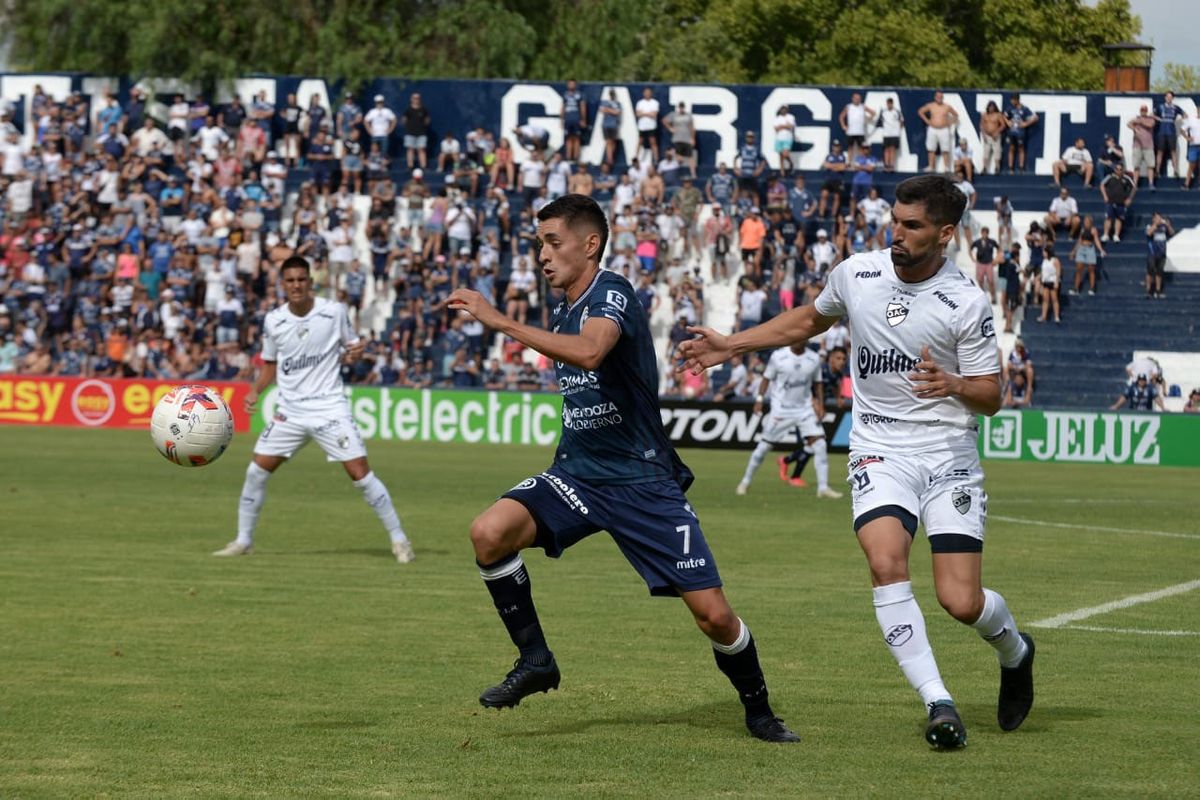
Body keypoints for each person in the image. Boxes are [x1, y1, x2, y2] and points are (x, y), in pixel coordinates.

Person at [677, 175, 1035, 750]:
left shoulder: (965, 301)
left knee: (960, 601)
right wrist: (732, 344)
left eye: (912, 226)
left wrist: (952, 383)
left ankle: (1017, 653)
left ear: (945, 234)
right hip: (878, 448)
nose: (897, 233)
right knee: (886, 561)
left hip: (947, 454)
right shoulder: (856, 273)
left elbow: (992, 396)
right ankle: (938, 702)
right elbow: (808, 320)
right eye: (895, 221)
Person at [444, 194, 800, 744]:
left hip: (641, 482)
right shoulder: (565, 304)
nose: (542, 254)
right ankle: (536, 660)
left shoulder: (611, 291)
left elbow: (590, 353)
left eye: (552, 242)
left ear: (590, 244)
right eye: (539, 243)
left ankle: (758, 709)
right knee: (489, 533)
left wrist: (496, 319)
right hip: (578, 475)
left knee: (713, 617)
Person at [213, 256, 415, 563]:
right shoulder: (274, 320)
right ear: (283, 285)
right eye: (290, 280)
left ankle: (400, 540)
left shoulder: (333, 312)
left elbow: (354, 348)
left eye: (301, 280)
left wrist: (356, 353)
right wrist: (255, 390)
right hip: (290, 412)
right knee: (256, 472)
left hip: (329, 408)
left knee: (361, 475)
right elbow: (270, 365)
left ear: (310, 282)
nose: (296, 285)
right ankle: (243, 540)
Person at [736, 343, 840, 499]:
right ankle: (745, 481)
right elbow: (766, 378)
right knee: (763, 447)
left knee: (820, 444)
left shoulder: (813, 358)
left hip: (804, 409)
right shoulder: (778, 356)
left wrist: (820, 404)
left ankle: (823, 488)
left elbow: (817, 382)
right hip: (781, 410)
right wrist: (759, 399)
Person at [918, 90, 958, 174]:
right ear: (935, 97)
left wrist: (950, 123)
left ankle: (946, 167)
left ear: (943, 97)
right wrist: (927, 121)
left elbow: (955, 115)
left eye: (941, 96)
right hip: (932, 128)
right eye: (938, 96)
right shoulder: (931, 105)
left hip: (944, 129)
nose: (939, 98)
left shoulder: (946, 107)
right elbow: (920, 111)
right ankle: (931, 166)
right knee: (931, 148)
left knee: (945, 148)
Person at [1004, 94, 1038, 174]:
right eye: (1011, 100)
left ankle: (1021, 167)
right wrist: (1007, 122)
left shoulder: (1024, 109)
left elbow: (1035, 117)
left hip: (1020, 132)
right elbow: (1004, 115)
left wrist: (1026, 123)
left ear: (1017, 100)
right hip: (1011, 132)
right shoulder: (1010, 108)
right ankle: (1011, 168)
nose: (1011, 102)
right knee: (1011, 148)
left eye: (1013, 100)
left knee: (1021, 148)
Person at [1145, 212, 1174, 299]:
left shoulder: (1164, 227)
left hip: (1162, 253)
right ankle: (1149, 290)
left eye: (1160, 218)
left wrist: (1168, 225)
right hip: (1152, 253)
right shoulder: (1149, 226)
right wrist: (1155, 225)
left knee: (1159, 272)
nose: (1159, 220)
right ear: (1153, 219)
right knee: (1150, 271)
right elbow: (1148, 233)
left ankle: (1158, 290)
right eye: (1157, 218)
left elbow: (1172, 233)